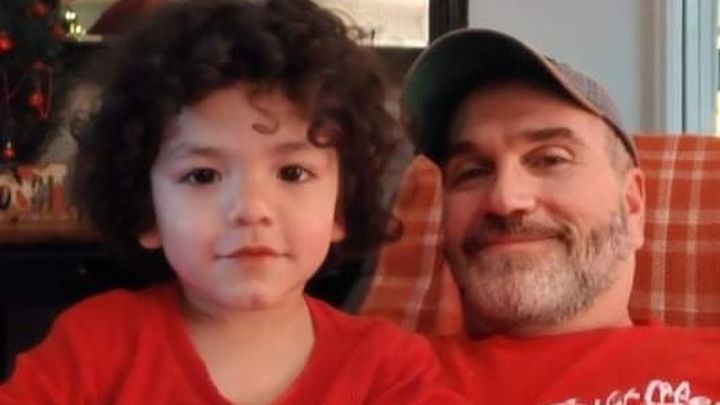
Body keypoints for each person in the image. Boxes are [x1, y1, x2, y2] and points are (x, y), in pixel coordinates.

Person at [0, 1, 468, 403]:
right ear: (147, 208)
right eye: (202, 175)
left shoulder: (390, 371)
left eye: (292, 173)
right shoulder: (90, 351)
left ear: (342, 206)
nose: (250, 209)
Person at [401, 28, 720, 404]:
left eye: (551, 159)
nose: (505, 199)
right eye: (471, 172)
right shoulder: (381, 377)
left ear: (632, 206)